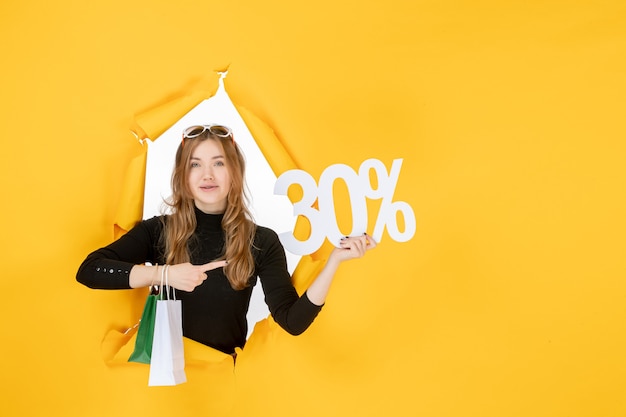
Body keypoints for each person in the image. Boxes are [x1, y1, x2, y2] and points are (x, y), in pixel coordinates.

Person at [76, 124, 376, 355]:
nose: (207, 174)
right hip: (161, 390)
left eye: (218, 163)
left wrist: (335, 261)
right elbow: (90, 270)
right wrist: (165, 273)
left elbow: (292, 322)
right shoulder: (159, 231)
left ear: (235, 172)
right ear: (182, 175)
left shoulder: (261, 241)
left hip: (223, 385)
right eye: (195, 164)